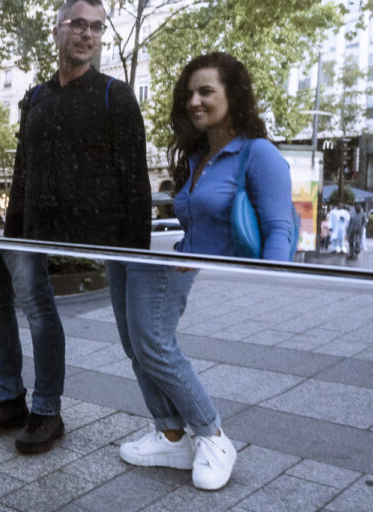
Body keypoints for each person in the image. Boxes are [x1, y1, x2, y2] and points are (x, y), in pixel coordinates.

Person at [0, 0, 149, 455]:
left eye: (96, 28)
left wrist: (134, 256)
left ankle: (47, 410)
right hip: (33, 232)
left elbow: (135, 183)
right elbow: (22, 172)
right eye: (78, 24)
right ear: (57, 31)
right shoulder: (36, 98)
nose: (88, 34)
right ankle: (10, 399)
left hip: (89, 237)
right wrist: (13, 235)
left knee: (40, 312)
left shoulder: (116, 96)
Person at [116, 52, 294, 492]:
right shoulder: (198, 158)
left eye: (206, 91)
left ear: (233, 95)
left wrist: (264, 289)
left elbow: (279, 229)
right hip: (182, 266)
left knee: (154, 346)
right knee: (137, 345)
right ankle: (171, 435)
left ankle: (211, 435)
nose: (195, 101)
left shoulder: (257, 153)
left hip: (215, 280)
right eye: (189, 93)